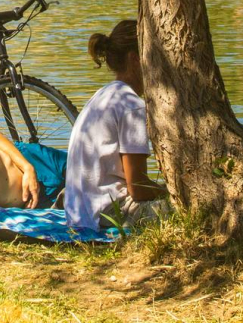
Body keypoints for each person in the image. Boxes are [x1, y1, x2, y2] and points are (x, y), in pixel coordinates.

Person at [65, 20, 169, 231]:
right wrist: (169, 193)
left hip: (78, 213)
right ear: (134, 59)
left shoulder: (102, 95)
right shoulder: (131, 105)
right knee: (192, 204)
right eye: (151, 55)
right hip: (107, 215)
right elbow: (137, 187)